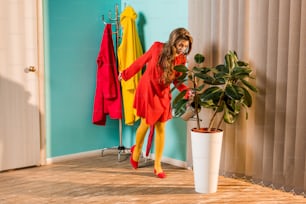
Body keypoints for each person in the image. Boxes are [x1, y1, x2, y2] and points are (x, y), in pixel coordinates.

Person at [119, 27, 193, 178]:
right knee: (145, 123)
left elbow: (177, 81)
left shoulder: (181, 59)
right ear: (173, 41)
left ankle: (157, 165)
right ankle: (136, 151)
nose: (182, 49)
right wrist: (125, 74)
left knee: (161, 128)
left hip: (163, 93)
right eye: (180, 45)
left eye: (186, 47)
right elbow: (140, 61)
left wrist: (186, 91)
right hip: (148, 90)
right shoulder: (157, 47)